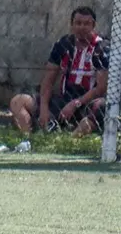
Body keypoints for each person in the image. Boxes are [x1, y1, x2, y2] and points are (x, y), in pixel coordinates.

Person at [9, 7, 109, 138]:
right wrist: (44, 108)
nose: (82, 27)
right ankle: (28, 139)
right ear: (72, 25)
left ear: (93, 25)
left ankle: (70, 142)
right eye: (78, 23)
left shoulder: (102, 48)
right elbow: (48, 79)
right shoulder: (64, 44)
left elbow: (101, 88)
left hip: (86, 103)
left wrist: (76, 103)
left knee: (102, 106)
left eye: (86, 24)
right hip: (63, 100)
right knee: (19, 101)